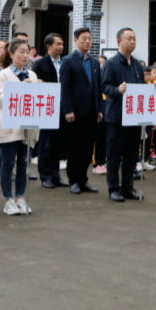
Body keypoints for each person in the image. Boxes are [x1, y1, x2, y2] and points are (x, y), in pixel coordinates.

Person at [100, 27, 152, 203]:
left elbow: (141, 88)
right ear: (119, 41)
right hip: (116, 116)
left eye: (135, 39)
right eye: (129, 38)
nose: (132, 42)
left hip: (134, 116)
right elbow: (104, 87)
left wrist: (155, 87)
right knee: (114, 155)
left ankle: (128, 188)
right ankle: (113, 188)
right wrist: (117, 90)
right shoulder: (111, 63)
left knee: (131, 155)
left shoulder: (137, 64)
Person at [0, 39, 38, 215]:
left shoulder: (32, 75)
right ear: (11, 54)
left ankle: (20, 197)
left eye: (27, 51)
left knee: (24, 163)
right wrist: (20, 87)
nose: (25, 55)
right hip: (9, 127)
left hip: (27, 127)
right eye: (21, 51)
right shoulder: (3, 75)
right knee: (8, 163)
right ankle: (8, 199)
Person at [60, 27, 103, 194]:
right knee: (75, 148)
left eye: (89, 39)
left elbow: (97, 88)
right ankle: (73, 181)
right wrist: (68, 110)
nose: (87, 41)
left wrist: (99, 109)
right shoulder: (68, 61)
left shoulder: (93, 62)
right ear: (76, 40)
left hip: (92, 111)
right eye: (84, 38)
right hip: (75, 113)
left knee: (87, 148)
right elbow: (65, 88)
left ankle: (84, 179)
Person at [33, 33, 68, 189]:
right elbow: (34, 84)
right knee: (45, 144)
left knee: (58, 144)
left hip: (62, 107)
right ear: (48, 46)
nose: (61, 47)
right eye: (58, 44)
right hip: (47, 107)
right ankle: (45, 176)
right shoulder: (40, 64)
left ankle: (56, 176)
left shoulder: (65, 62)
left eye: (62, 44)